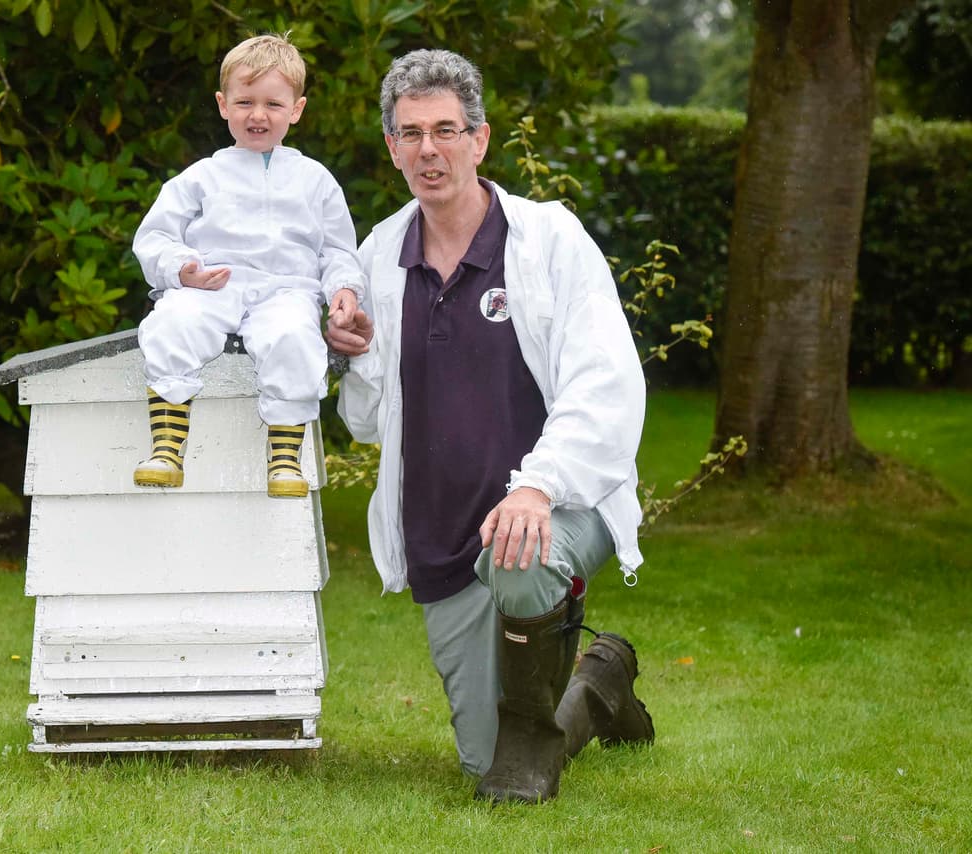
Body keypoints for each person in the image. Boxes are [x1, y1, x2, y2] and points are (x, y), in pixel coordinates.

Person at [328, 49, 654, 803]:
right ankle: (600, 685)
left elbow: (607, 382)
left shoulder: (547, 240)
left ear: (480, 139)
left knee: (519, 563)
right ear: (392, 148)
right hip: (444, 537)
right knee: (484, 758)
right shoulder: (380, 255)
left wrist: (537, 487)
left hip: (558, 507)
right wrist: (351, 353)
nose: (429, 150)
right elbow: (369, 425)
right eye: (410, 134)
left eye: (446, 130)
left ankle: (535, 737)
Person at [132, 33, 365, 498]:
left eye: (273, 104)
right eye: (244, 102)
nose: (258, 115)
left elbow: (338, 249)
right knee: (173, 322)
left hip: (285, 291)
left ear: (296, 109)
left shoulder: (315, 180)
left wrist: (343, 288)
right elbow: (153, 236)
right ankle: (166, 448)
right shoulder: (201, 176)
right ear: (223, 104)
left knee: (294, 337)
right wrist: (184, 269)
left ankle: (284, 459)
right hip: (214, 284)